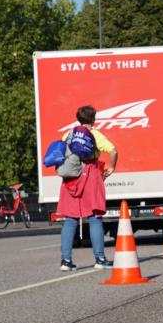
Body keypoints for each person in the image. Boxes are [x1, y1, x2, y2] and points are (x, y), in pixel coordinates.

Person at [57, 105, 117, 271]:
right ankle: (99, 258)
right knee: (94, 216)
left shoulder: (68, 134)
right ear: (93, 119)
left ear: (78, 118)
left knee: (70, 219)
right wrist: (112, 167)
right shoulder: (95, 134)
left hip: (70, 178)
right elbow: (113, 151)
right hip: (90, 174)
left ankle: (66, 261)